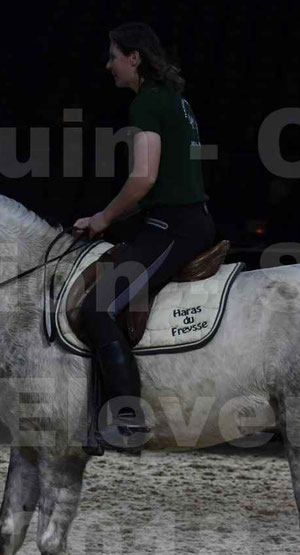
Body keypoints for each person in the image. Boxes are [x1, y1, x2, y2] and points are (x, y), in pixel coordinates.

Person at [73, 22, 215, 454]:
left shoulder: (147, 106)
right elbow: (160, 183)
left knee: (97, 310)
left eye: (114, 56)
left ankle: (128, 420)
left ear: (134, 58)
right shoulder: (173, 100)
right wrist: (111, 218)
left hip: (175, 226)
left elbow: (143, 177)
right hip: (176, 218)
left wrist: (102, 217)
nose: (108, 65)